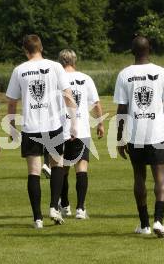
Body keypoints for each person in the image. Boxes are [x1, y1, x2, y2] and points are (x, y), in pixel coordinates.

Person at [6, 34, 77, 228]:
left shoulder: (19, 70)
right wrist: (74, 124)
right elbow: (68, 96)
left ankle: (37, 218)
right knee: (57, 165)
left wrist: (11, 128)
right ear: (41, 47)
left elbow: (12, 102)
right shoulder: (55, 67)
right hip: (53, 125)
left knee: (34, 172)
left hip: (31, 127)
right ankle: (54, 206)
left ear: (24, 50)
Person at [114, 36, 164, 238]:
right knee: (160, 177)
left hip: (135, 134)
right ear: (150, 49)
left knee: (139, 176)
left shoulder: (124, 74)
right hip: (157, 132)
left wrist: (119, 136)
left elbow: (122, 110)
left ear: (132, 51)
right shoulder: (161, 72)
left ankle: (145, 224)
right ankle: (159, 220)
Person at [57, 49, 104, 219]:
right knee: (81, 168)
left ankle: (65, 206)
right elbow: (96, 103)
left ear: (60, 62)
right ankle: (80, 209)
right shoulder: (85, 78)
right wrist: (100, 123)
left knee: (62, 169)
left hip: (61, 128)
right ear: (74, 61)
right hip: (81, 128)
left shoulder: (57, 78)